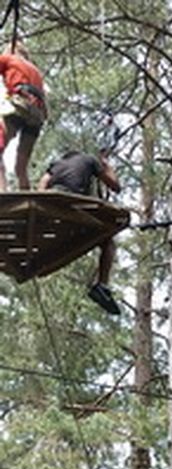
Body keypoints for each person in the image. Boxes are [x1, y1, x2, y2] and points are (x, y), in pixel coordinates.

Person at [39, 149, 122, 314]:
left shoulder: (56, 164)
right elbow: (115, 186)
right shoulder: (90, 159)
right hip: (72, 206)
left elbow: (42, 186)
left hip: (51, 206)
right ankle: (102, 285)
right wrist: (106, 165)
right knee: (108, 242)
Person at [0, 44, 47, 192]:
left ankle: (2, 192)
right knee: (21, 167)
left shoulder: (9, 59)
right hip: (37, 115)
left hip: (20, 107)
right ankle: (26, 196)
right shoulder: (36, 71)